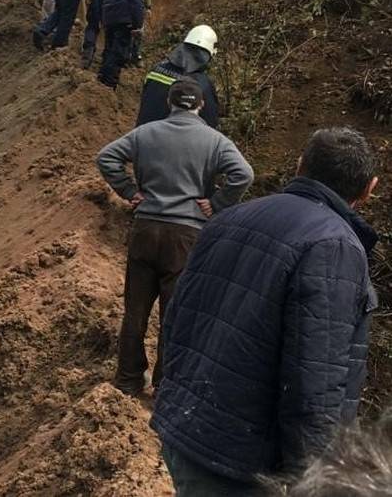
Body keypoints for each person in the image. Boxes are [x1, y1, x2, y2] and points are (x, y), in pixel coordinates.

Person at [152, 127, 379, 496]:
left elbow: (176, 321)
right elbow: (315, 384)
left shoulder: (228, 219)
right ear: (369, 188)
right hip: (239, 461)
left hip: (187, 430)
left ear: (300, 165)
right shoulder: (334, 247)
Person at [96, 78, 253, 395]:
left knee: (136, 310)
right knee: (174, 313)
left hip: (145, 228)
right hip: (185, 236)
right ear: (201, 105)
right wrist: (218, 204)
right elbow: (244, 174)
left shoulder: (144, 133)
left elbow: (106, 157)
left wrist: (129, 191)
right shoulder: (215, 140)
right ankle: (164, 384)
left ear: (169, 103)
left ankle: (128, 380)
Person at [137, 25, 219, 128]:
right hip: (171, 141)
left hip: (142, 134)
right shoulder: (202, 84)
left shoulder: (156, 70)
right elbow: (210, 123)